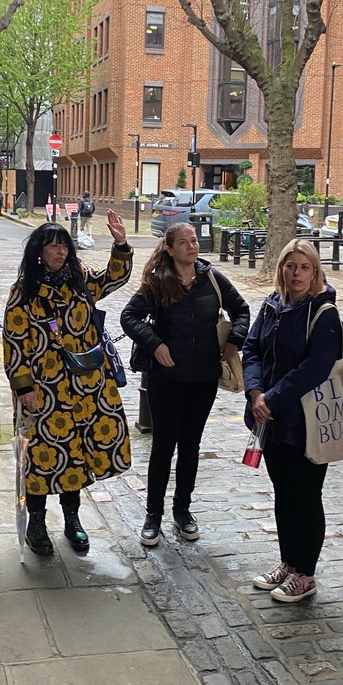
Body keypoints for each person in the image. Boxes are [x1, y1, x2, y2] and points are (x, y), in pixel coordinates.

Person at [2, 213, 132, 556]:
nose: (60, 252)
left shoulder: (80, 280)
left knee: (76, 455)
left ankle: (73, 520)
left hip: (86, 387)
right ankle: (37, 522)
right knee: (43, 458)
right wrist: (23, 387)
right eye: (52, 246)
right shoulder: (24, 292)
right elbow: (14, 342)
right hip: (44, 392)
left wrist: (120, 244)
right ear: (38, 252)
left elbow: (115, 278)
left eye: (64, 245)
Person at [120, 223, 249, 545]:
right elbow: (129, 317)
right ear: (170, 248)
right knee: (163, 447)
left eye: (193, 241)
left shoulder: (212, 278)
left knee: (191, 446)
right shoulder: (158, 282)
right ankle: (153, 515)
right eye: (184, 242)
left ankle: (183, 511)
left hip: (203, 378)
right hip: (166, 380)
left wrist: (234, 341)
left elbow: (242, 310)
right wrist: (155, 344)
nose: (192, 246)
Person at [241, 239, 343, 603]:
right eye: (290, 265)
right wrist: (254, 392)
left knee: (305, 495)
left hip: (306, 422)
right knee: (283, 492)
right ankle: (288, 562)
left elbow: (316, 367)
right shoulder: (272, 305)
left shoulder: (324, 313)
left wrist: (273, 397)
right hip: (270, 419)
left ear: (315, 271)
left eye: (304, 267)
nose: (296, 273)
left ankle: (306, 573)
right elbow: (251, 348)